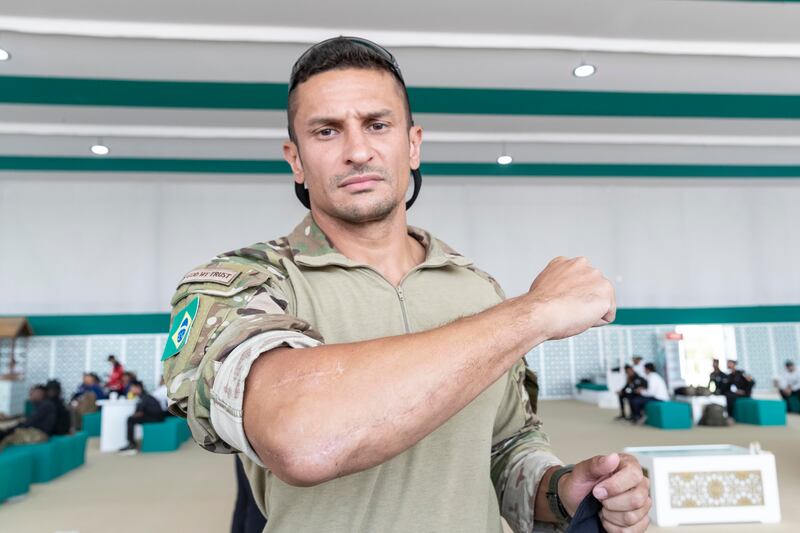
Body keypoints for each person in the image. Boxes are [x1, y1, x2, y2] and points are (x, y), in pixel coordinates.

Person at [162, 37, 650, 533]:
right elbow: (301, 439)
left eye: (377, 125)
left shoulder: (477, 290)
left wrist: (563, 489)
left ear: (413, 144)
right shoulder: (241, 285)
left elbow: (505, 449)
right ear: (296, 159)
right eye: (327, 131)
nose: (357, 151)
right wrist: (532, 313)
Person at [0, 385, 56, 449]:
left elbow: (30, 422)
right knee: (7, 431)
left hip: (40, 434)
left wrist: (13, 428)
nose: (30, 395)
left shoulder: (46, 405)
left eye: (33, 393)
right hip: (35, 431)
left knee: (7, 436)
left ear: (40, 393)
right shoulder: (42, 404)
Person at [118, 381, 165, 454]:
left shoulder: (144, 397)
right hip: (155, 416)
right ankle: (131, 443)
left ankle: (131, 444)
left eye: (132, 388)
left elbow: (139, 413)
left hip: (156, 418)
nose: (130, 390)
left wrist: (133, 415)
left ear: (138, 388)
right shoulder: (143, 396)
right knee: (131, 419)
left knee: (130, 419)